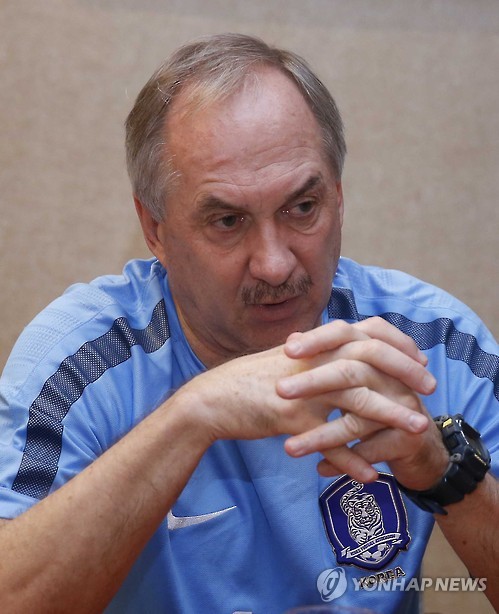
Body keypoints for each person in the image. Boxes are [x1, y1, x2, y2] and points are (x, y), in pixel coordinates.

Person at [0, 33, 497, 614]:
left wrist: (443, 472)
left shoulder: (435, 344)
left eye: (302, 208)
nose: (275, 264)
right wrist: (192, 415)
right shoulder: (80, 362)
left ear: (338, 198)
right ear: (155, 229)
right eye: (228, 222)